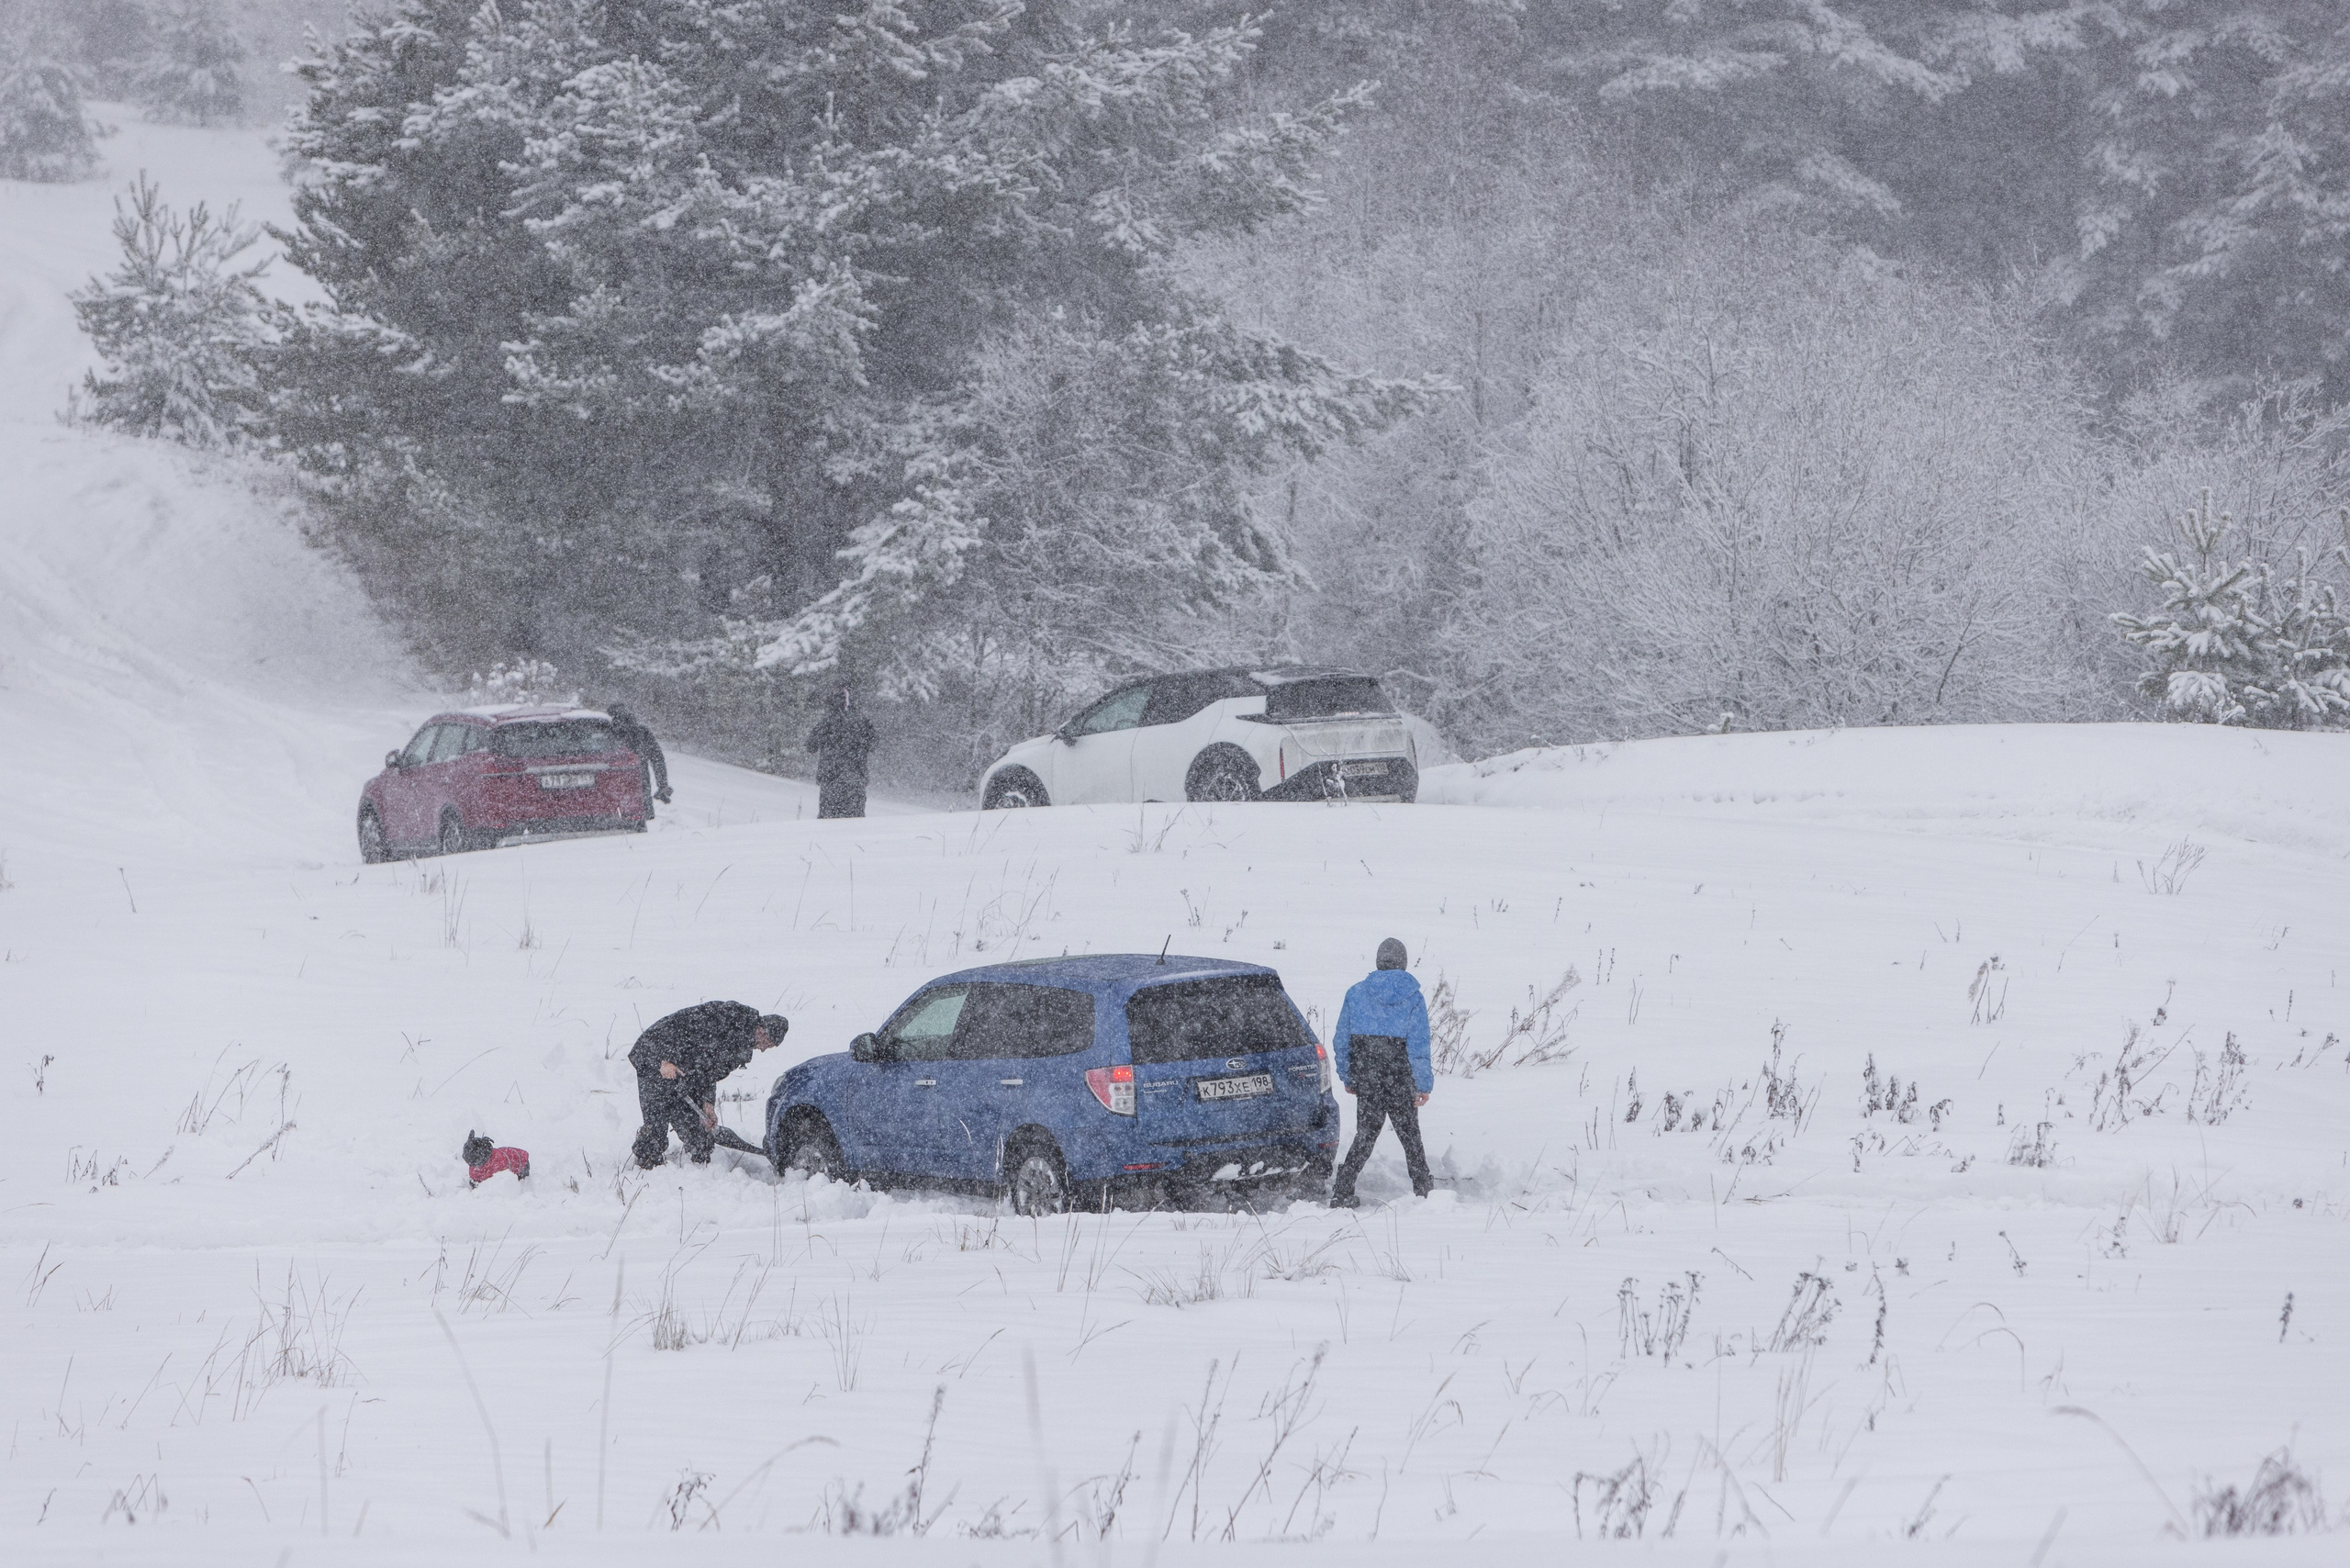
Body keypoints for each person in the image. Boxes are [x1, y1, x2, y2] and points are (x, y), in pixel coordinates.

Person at [1327, 937, 1435, 1207]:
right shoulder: (1413, 997)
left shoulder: (1356, 993)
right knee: (1410, 1135)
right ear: (1404, 963)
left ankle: (1342, 1189)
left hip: (1369, 1075)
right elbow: (1418, 1045)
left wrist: (1348, 1075)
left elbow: (1341, 1040)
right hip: (1401, 1076)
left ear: (1378, 961)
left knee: (1365, 1134)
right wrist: (1423, 1084)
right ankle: (1424, 1191)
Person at [628, 1002, 787, 1168]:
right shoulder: (727, 1017)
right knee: (657, 1122)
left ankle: (699, 1165)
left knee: (699, 1137)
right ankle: (647, 1160)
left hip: (686, 1070)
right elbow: (681, 1028)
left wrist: (707, 1104)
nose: (763, 1050)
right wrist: (666, 1059)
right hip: (655, 1055)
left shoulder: (740, 1050)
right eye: (767, 1044)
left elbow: (709, 1073)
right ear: (762, 1031)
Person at [804, 684, 878, 819]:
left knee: (828, 820)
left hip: (831, 778)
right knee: (855, 821)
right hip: (856, 779)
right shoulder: (863, 722)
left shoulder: (827, 721)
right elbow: (874, 744)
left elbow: (810, 745)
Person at [606, 702, 672, 809]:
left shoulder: (605, 733)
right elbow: (657, 759)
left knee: (610, 821)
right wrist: (662, 785)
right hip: (639, 787)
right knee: (638, 819)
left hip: (610, 790)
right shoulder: (642, 732)